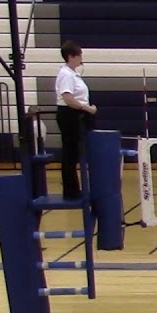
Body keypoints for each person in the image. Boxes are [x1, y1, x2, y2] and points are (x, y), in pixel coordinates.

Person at [55, 40, 98, 200]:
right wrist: (87, 108)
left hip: (77, 115)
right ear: (71, 56)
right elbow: (69, 99)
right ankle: (71, 190)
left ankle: (75, 189)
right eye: (79, 55)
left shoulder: (73, 74)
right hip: (70, 115)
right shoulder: (66, 75)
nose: (81, 58)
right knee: (70, 152)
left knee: (74, 152)